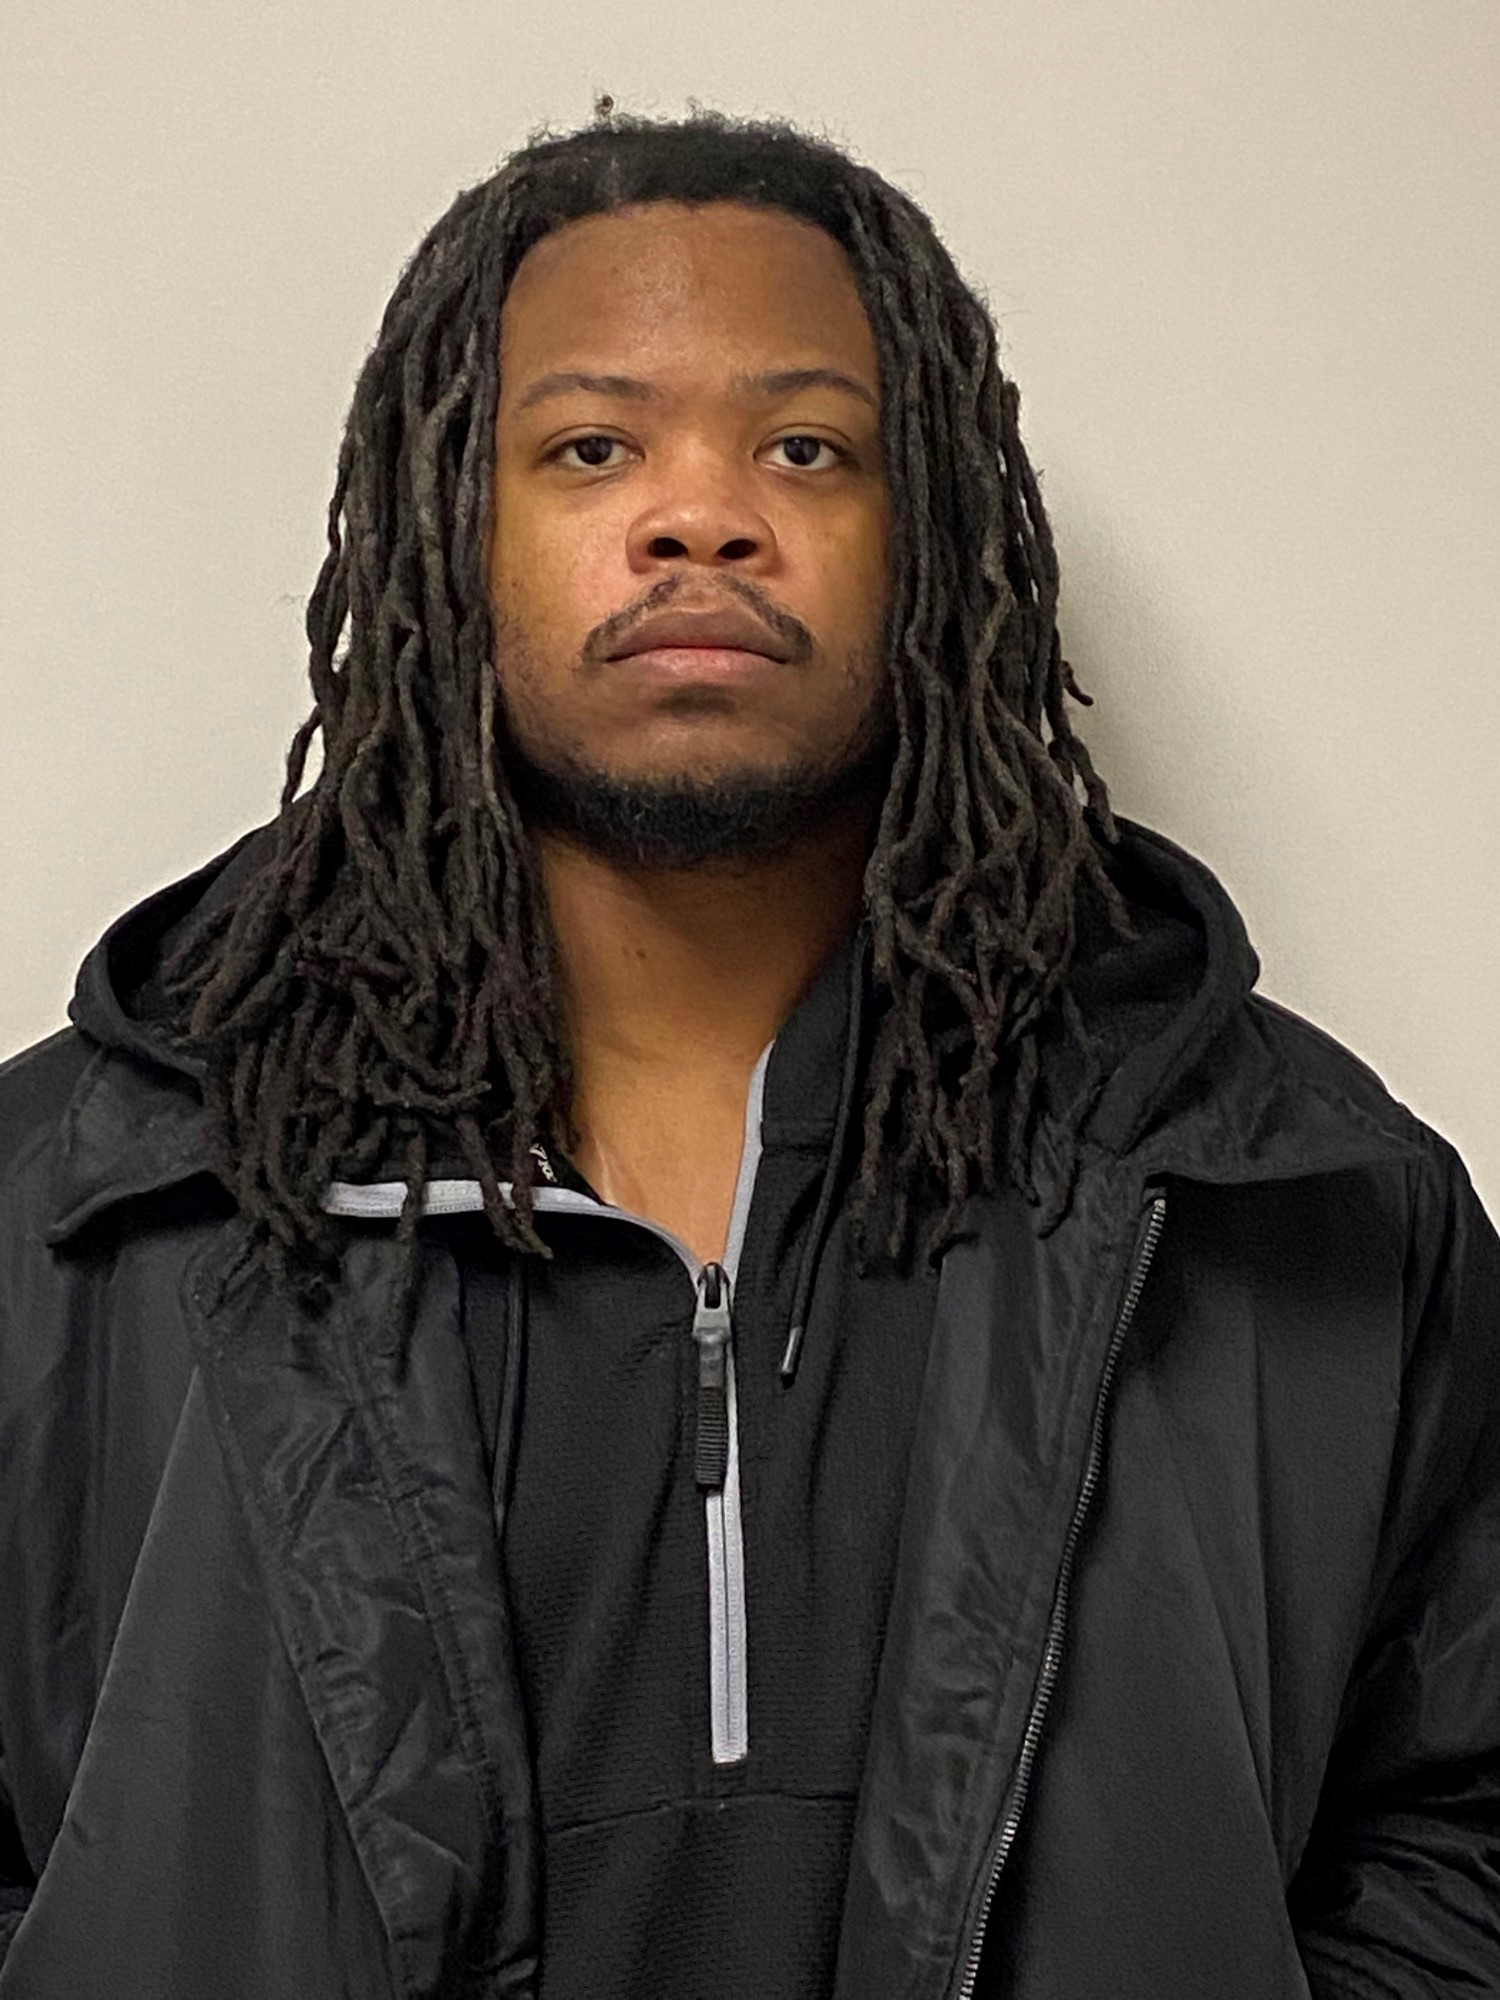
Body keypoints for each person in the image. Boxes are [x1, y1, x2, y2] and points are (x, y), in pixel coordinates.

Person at [0, 108, 1495, 2000]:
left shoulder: (1292, 1194)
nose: (698, 517)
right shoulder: (82, 1203)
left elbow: (1462, 1826)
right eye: (591, 447)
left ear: (932, 537)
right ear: (449, 528)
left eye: (805, 448)